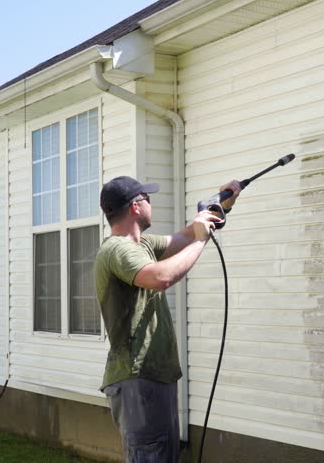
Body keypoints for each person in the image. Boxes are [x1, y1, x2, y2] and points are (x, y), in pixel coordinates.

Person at [95, 175, 242, 462]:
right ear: (136, 207)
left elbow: (186, 235)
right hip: (138, 378)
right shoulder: (117, 249)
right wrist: (201, 240)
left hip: (153, 377)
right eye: (146, 198)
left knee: (164, 455)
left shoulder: (143, 246)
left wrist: (221, 206)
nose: (151, 203)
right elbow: (160, 277)